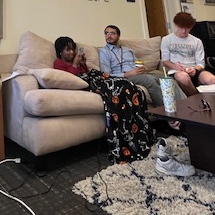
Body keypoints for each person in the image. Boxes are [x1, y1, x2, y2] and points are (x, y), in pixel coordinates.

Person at [53, 36, 153, 164]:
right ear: (60, 51)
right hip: (88, 82)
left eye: (73, 49)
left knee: (128, 86)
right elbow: (69, 78)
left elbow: (87, 72)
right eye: (68, 50)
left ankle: (141, 132)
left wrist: (82, 63)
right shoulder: (58, 63)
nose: (72, 53)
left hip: (94, 76)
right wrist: (75, 64)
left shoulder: (76, 61)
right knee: (118, 89)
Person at [98, 25, 186, 107]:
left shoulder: (127, 50)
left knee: (167, 78)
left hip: (139, 73)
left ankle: (185, 106)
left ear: (118, 36)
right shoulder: (104, 52)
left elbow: (137, 63)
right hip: (125, 77)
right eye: (106, 33)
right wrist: (128, 74)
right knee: (149, 80)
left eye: (112, 33)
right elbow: (106, 74)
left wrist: (143, 68)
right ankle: (167, 112)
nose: (109, 36)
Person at [161, 12, 215, 96]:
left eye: (187, 28)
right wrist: (175, 66)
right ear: (175, 25)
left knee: (212, 80)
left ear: (191, 27)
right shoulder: (166, 39)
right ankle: (197, 98)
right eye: (181, 28)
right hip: (177, 71)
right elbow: (165, 61)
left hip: (194, 70)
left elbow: (201, 63)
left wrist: (195, 69)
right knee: (183, 77)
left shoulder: (197, 41)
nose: (184, 31)